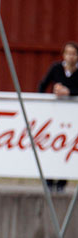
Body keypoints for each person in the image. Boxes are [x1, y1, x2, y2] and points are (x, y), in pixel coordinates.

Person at [37, 41, 78, 192]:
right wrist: (44, 101)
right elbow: (42, 85)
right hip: (56, 115)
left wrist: (69, 92)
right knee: (52, 145)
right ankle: (49, 178)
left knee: (67, 146)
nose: (70, 57)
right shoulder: (56, 68)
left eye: (73, 54)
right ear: (63, 55)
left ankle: (62, 181)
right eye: (68, 53)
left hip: (72, 117)